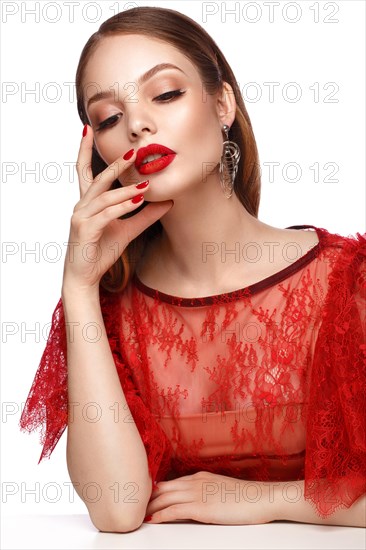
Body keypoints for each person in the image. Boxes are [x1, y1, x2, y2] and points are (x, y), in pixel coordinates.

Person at [19, 6, 365, 532]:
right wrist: (80, 286)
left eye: (165, 93)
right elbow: (116, 510)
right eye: (110, 118)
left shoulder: (347, 283)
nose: (137, 124)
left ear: (222, 103)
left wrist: (265, 500)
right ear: (96, 149)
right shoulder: (110, 312)